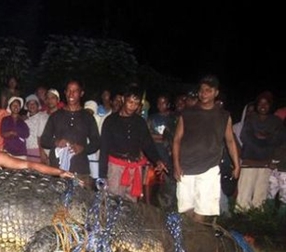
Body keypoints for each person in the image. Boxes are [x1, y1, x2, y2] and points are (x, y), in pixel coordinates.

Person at [172, 75, 240, 223]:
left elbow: (230, 140)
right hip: (186, 166)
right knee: (186, 208)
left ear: (216, 92)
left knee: (202, 208)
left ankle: (196, 241)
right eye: (201, 90)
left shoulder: (223, 116)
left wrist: (237, 164)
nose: (204, 93)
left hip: (209, 167)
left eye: (208, 90)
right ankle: (188, 239)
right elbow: (177, 139)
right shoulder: (188, 113)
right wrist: (176, 165)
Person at [98, 87, 167, 202]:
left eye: (136, 103)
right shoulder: (110, 121)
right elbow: (104, 149)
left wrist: (158, 160)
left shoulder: (140, 122)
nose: (133, 106)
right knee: (112, 202)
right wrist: (102, 175)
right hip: (115, 168)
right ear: (123, 99)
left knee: (131, 205)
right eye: (130, 102)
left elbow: (148, 144)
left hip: (134, 169)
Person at [40, 80, 100, 186]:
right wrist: (56, 142)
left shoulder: (88, 117)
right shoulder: (56, 116)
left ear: (81, 93)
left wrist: (83, 148)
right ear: (65, 92)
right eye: (68, 91)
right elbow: (44, 140)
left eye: (75, 91)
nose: (71, 94)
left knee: (80, 201)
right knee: (55, 201)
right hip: (57, 170)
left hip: (80, 169)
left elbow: (96, 142)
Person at [236, 91, 284, 211]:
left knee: (260, 197)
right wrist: (265, 139)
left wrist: (260, 137)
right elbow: (245, 137)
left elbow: (278, 139)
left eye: (266, 103)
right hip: (249, 162)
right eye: (260, 103)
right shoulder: (250, 119)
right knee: (244, 195)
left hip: (266, 164)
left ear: (271, 105)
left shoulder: (276, 121)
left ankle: (257, 223)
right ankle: (241, 222)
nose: (263, 106)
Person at [23, 94, 49, 164]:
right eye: (29, 103)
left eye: (34, 103)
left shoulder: (43, 116)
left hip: (41, 151)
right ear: (27, 106)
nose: (32, 105)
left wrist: (43, 154)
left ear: (38, 105)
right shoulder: (25, 119)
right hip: (28, 151)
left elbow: (42, 136)